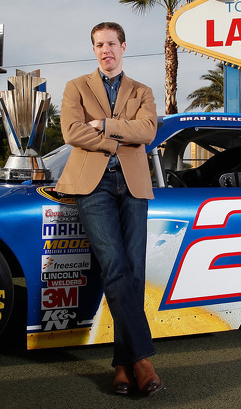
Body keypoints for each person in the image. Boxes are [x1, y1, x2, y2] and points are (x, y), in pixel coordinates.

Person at [56, 22, 162, 396]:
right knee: (114, 266)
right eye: (99, 45)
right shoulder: (76, 87)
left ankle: (121, 365)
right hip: (93, 186)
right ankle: (143, 361)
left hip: (133, 185)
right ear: (94, 49)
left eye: (112, 43)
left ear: (123, 46)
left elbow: (148, 131)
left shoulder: (142, 90)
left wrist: (102, 124)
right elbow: (71, 131)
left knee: (133, 274)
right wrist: (119, 138)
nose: (106, 50)